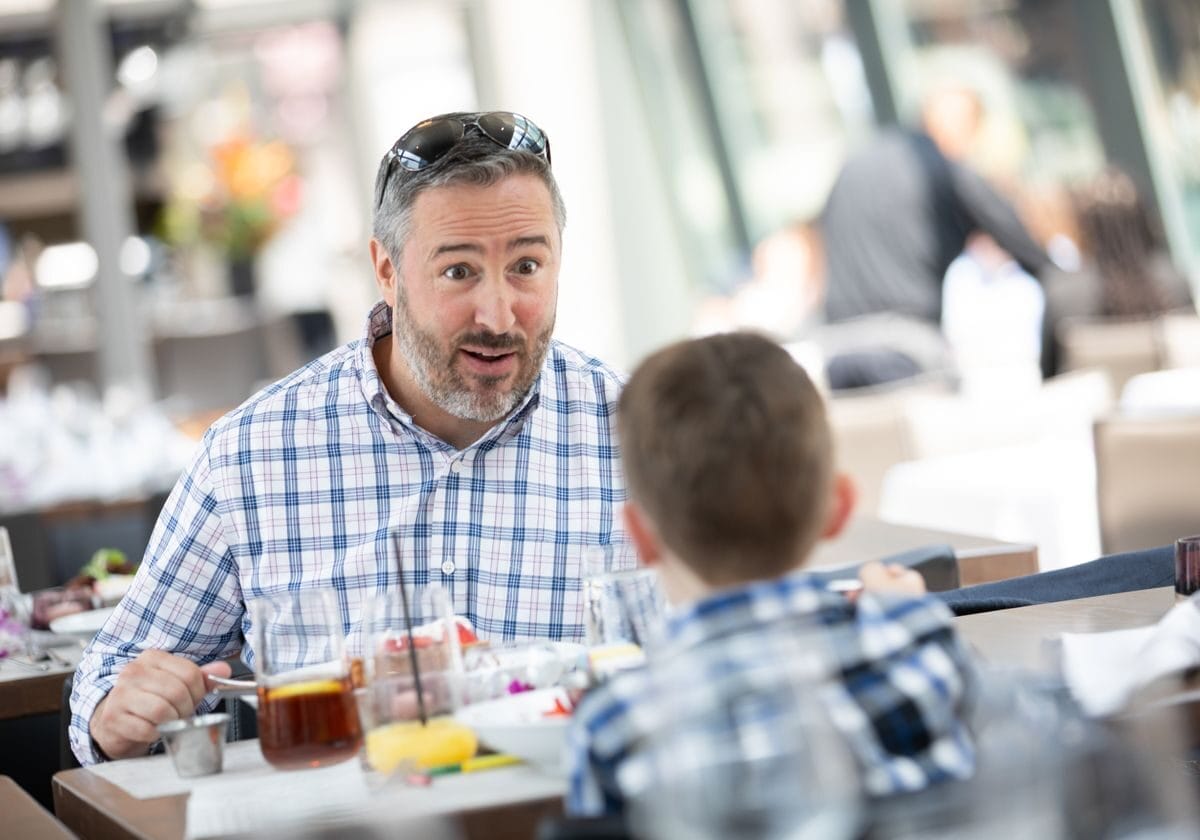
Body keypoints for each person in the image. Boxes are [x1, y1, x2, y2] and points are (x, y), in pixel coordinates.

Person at [70, 111, 633, 765]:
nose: (498, 314)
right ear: (386, 271)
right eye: (458, 272)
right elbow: (108, 686)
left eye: (527, 265)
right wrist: (118, 715)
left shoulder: (635, 436)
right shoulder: (253, 457)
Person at [565, 331, 979, 818]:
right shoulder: (919, 641)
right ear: (840, 506)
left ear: (640, 536)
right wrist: (905, 608)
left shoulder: (613, 725)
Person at [818, 86, 1050, 389]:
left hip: (837, 349)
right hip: (905, 349)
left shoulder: (854, 165)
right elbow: (1017, 239)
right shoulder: (940, 167)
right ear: (964, 128)